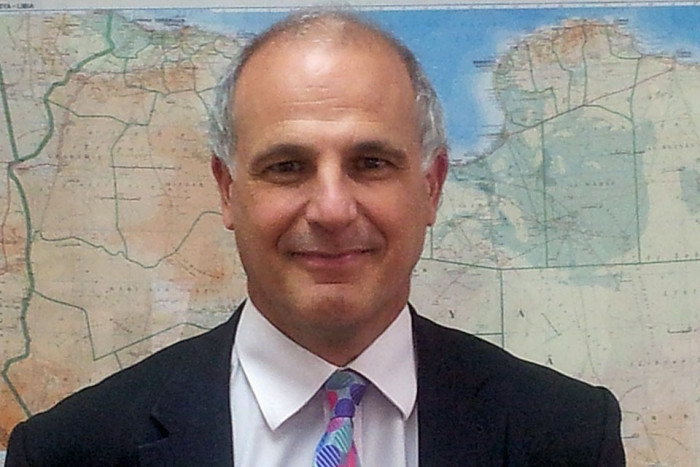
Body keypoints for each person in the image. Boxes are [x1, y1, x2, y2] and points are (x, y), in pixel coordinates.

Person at [6, 9, 625, 466]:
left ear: (432, 187)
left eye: (371, 163)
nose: (331, 210)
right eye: (287, 166)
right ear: (227, 189)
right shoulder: (73, 450)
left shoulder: (566, 435)